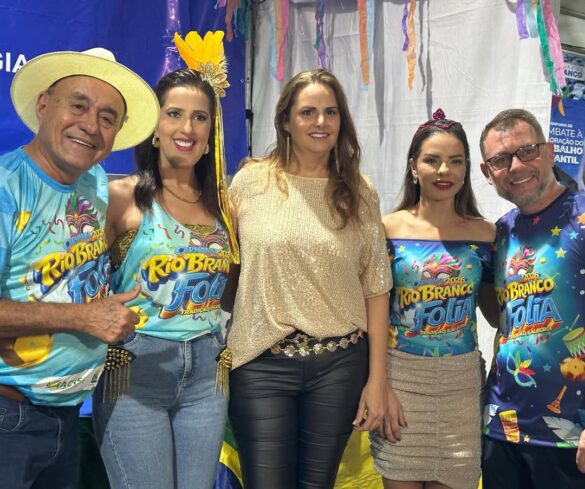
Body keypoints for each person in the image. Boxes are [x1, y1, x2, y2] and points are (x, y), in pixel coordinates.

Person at [225, 68, 392, 489]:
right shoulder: (250, 182)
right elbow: (224, 263)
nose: (321, 122)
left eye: (331, 112)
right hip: (260, 364)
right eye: (308, 112)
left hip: (338, 366)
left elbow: (376, 288)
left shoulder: (360, 191)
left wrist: (378, 380)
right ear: (285, 120)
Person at [0, 47, 158, 489]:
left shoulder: (94, 183)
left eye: (108, 117)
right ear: (43, 104)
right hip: (9, 420)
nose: (91, 125)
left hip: (66, 418)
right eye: (78, 105)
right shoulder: (6, 189)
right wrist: (85, 318)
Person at [92, 31, 238, 489]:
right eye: (174, 114)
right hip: (136, 370)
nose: (186, 128)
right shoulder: (120, 197)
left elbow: (232, 289)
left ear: (211, 133)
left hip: (208, 375)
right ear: (154, 127)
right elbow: (77, 278)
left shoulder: (225, 208)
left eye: (199, 117)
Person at [370, 109, 498, 489]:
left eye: (456, 161)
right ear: (414, 166)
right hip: (401, 381)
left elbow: (497, 316)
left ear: (466, 169)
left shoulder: (486, 234)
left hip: (461, 385)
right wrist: (379, 384)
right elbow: (372, 313)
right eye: (432, 160)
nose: (445, 170)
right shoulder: (385, 229)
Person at [479, 108, 585, 488]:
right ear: (487, 172)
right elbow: (500, 318)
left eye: (527, 151)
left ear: (550, 151)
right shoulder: (499, 234)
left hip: (571, 437)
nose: (516, 166)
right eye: (501, 159)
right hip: (500, 428)